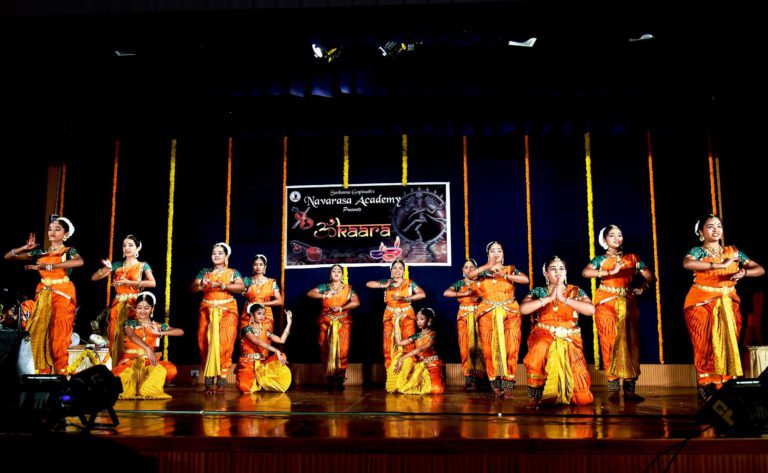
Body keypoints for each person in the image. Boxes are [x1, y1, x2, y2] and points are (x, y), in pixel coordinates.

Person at [683, 214, 764, 402]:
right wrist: (718, 264)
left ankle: (725, 384)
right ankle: (706, 384)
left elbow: (760, 269)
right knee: (704, 343)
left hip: (727, 302)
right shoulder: (698, 251)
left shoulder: (734, 252)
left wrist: (744, 272)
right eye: (710, 226)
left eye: (718, 226)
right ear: (701, 232)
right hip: (701, 302)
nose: (716, 229)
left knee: (728, 342)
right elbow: (687, 263)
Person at [581, 225, 656, 402]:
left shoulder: (632, 258)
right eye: (612, 235)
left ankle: (630, 389)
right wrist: (609, 271)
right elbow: (585, 272)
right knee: (609, 341)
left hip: (627, 302)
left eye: (619, 235)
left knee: (631, 342)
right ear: (605, 240)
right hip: (606, 304)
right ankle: (614, 388)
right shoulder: (599, 259)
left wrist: (642, 287)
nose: (617, 238)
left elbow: (650, 276)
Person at [4, 216, 84, 374]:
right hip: (44, 295)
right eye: (50, 228)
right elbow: (8, 257)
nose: (52, 231)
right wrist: (24, 247)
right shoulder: (40, 252)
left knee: (58, 337)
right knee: (40, 334)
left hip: (62, 294)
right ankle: (44, 373)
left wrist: (48, 266)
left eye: (57, 229)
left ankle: (62, 373)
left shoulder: (68, 251)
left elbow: (79, 262)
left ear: (66, 234)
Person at [520, 256, 595, 408]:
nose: (558, 272)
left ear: (566, 272)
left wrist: (563, 299)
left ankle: (563, 392)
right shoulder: (539, 291)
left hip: (570, 337)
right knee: (540, 348)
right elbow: (523, 309)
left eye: (561, 268)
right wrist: (548, 298)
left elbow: (590, 310)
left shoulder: (575, 291)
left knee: (582, 399)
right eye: (553, 269)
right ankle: (536, 396)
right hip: (544, 333)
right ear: (546, 274)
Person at [466, 241, 529, 399]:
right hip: (487, 313)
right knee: (488, 350)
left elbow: (525, 279)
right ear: (488, 254)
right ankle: (495, 386)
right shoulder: (482, 272)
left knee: (511, 347)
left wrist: (504, 275)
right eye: (492, 251)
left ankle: (508, 385)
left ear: (503, 254)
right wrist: (487, 265)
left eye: (499, 250)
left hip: (510, 313)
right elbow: (470, 276)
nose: (496, 253)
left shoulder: (511, 269)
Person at [91, 234, 157, 365]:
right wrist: (107, 268)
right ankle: (117, 368)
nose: (126, 248)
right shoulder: (116, 265)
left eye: (130, 245)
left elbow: (152, 283)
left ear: (138, 248)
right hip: (118, 305)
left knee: (132, 336)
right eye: (124, 245)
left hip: (134, 306)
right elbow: (94, 278)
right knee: (116, 337)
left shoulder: (143, 265)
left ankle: (134, 367)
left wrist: (128, 282)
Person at [191, 242, 245, 394]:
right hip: (207, 311)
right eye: (214, 253)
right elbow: (192, 288)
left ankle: (221, 382)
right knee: (205, 344)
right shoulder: (204, 272)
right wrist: (202, 286)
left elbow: (241, 287)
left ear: (226, 256)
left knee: (224, 343)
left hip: (227, 311)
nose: (216, 255)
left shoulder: (233, 272)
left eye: (220, 253)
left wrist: (221, 285)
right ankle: (208, 382)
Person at [112, 291, 184, 399]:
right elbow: (131, 336)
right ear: (135, 309)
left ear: (152, 309)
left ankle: (146, 387)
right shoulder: (130, 324)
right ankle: (139, 386)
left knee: (171, 370)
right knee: (116, 376)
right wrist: (148, 348)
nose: (142, 311)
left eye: (146, 307)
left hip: (149, 363)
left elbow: (180, 331)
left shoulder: (156, 326)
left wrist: (159, 333)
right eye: (139, 307)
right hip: (130, 363)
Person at [306, 264, 360, 391]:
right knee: (325, 347)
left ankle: (340, 377)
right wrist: (324, 296)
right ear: (330, 274)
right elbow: (310, 293)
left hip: (343, 321)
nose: (336, 273)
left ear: (342, 275)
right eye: (333, 271)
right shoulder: (324, 287)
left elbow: (356, 302)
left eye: (339, 271)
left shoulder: (348, 289)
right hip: (326, 321)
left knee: (343, 349)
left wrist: (342, 308)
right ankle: (329, 377)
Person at [366, 259, 426, 370]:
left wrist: (406, 298)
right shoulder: (387, 282)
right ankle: (391, 374)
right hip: (390, 316)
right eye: (395, 268)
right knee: (388, 344)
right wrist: (383, 285)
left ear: (403, 271)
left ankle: (407, 374)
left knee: (408, 342)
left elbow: (422, 294)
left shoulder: (409, 283)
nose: (397, 270)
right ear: (391, 270)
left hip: (406, 315)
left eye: (400, 268)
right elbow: (368, 284)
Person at [443, 258, 485, 391]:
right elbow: (446, 293)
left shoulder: (482, 283)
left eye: (472, 267)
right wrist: (463, 293)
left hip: (480, 316)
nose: (469, 269)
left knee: (480, 346)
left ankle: (482, 380)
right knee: (465, 347)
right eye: (466, 267)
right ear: (462, 271)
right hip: (464, 317)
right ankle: (468, 379)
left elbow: (492, 296)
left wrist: (481, 298)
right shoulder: (460, 283)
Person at [235, 303, 292, 393]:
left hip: (261, 363)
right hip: (248, 363)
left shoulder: (265, 331)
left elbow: (281, 340)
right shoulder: (246, 329)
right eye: (259, 313)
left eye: (264, 314)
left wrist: (289, 323)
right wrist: (276, 350)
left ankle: (261, 382)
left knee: (281, 356)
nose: (262, 316)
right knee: (245, 388)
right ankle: (257, 382)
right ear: (252, 315)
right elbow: (257, 341)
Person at [387, 307, 445, 395]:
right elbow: (399, 342)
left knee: (436, 389)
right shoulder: (417, 335)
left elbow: (419, 349)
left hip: (433, 364)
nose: (418, 322)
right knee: (404, 359)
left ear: (429, 320)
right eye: (417, 319)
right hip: (420, 363)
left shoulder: (433, 334)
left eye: (421, 319)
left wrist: (401, 359)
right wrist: (396, 322)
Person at [239, 254, 283, 334]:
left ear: (265, 267)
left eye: (261, 264)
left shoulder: (271, 282)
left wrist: (262, 303)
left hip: (265, 315)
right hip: (249, 314)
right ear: (252, 266)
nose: (258, 267)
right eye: (255, 264)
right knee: (247, 342)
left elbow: (280, 301)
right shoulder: (246, 281)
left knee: (264, 339)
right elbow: (235, 290)